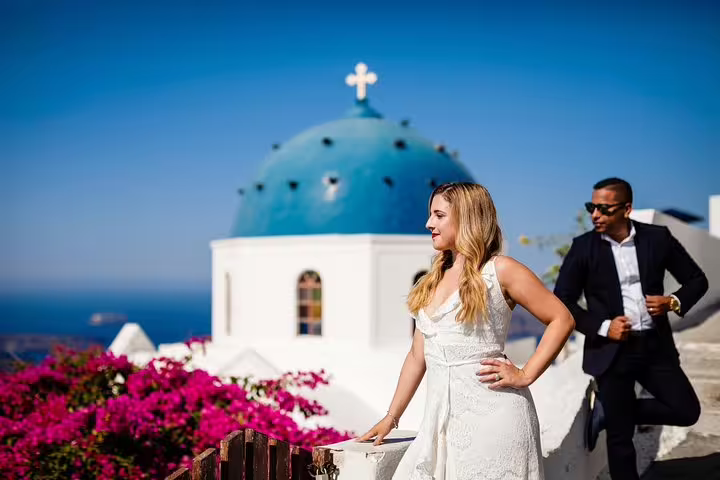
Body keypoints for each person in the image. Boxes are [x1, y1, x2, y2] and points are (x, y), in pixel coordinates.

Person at [358, 182, 575, 480]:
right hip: (440, 425)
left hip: (497, 421)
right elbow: (416, 357)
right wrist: (391, 417)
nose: (428, 224)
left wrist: (525, 375)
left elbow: (561, 318)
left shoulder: (501, 270)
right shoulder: (431, 280)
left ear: (467, 217)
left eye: (438, 215)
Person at [554, 177, 707, 480]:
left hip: (655, 346)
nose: (595, 215)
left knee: (687, 411)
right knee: (621, 442)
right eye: (591, 207)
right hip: (611, 352)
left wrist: (672, 302)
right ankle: (616, 415)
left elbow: (697, 280)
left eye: (604, 209)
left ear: (627, 209)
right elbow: (562, 302)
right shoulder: (583, 248)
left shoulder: (658, 238)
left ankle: (611, 412)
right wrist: (603, 327)